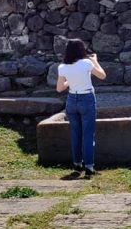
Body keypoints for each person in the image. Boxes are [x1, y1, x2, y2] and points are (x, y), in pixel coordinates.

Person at [56, 39, 106, 179]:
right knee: (88, 135)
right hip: (87, 99)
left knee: (76, 134)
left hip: (72, 100)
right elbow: (102, 75)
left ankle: (77, 164)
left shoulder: (62, 67)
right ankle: (89, 167)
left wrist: (70, 80)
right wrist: (95, 60)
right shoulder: (86, 63)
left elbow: (60, 88)